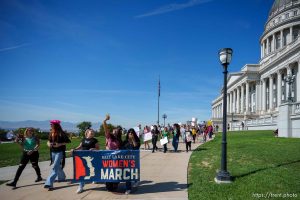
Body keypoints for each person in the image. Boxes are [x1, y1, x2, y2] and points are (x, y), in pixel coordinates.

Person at [44, 120, 71, 191]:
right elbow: (48, 141)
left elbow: (67, 141)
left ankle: (49, 183)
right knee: (57, 166)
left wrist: (60, 144)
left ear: (56, 125)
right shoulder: (51, 133)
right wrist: (48, 144)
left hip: (59, 152)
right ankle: (62, 177)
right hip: (53, 152)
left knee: (54, 167)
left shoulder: (61, 133)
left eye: (51, 124)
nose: (50, 125)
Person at [71, 129, 99, 194]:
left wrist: (93, 149)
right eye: (91, 132)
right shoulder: (83, 139)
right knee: (82, 171)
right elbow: (80, 146)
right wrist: (74, 149)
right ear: (87, 133)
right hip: (83, 157)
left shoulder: (95, 140)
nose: (92, 133)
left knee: (92, 169)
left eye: (93, 132)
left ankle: (94, 178)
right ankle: (81, 186)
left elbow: (98, 148)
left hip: (91, 157)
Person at [103, 114, 122, 191]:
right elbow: (106, 128)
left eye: (116, 130)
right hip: (108, 157)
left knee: (116, 171)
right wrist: (105, 120)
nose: (114, 130)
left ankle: (116, 183)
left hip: (117, 158)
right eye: (114, 129)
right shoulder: (109, 137)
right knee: (108, 171)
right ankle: (108, 185)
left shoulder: (119, 140)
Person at [121, 128, 141, 194]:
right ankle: (128, 188)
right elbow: (121, 149)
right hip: (126, 160)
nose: (130, 134)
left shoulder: (137, 141)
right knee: (127, 174)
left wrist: (133, 139)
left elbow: (136, 147)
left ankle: (136, 180)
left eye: (132, 133)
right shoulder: (125, 141)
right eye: (129, 133)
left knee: (133, 173)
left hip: (133, 160)